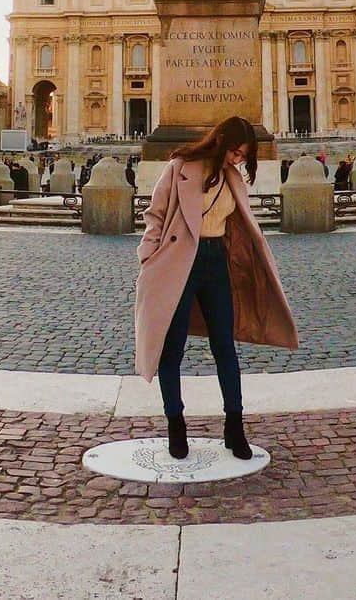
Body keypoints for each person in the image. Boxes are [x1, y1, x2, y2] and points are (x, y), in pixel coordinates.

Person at [135, 116, 298, 462]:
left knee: (224, 346)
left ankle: (234, 426)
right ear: (221, 140)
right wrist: (148, 257)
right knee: (172, 348)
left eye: (243, 155)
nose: (238, 159)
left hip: (215, 262)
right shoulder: (180, 166)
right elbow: (156, 214)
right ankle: (175, 424)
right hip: (178, 262)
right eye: (235, 152)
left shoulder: (233, 178)